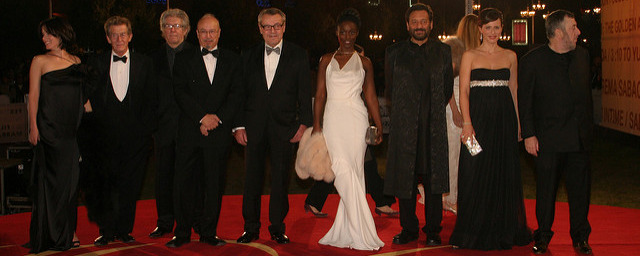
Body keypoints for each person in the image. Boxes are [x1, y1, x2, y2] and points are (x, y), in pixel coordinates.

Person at [449, 8, 531, 250]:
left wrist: (518, 124)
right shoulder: (469, 56)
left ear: (501, 28)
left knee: (503, 171)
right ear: (480, 30)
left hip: (505, 121)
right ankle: (472, 229)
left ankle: (502, 228)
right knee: (473, 170)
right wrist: (467, 123)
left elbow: (514, 90)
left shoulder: (510, 56)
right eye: (488, 28)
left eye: (497, 27)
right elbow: (464, 91)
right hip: (477, 123)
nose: (493, 32)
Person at [233, 7, 312, 244]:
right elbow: (239, 94)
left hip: (285, 129)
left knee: (280, 181)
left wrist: (303, 125)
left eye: (277, 25)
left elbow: (305, 93)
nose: (272, 30)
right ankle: (251, 228)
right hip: (253, 129)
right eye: (267, 26)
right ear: (259, 28)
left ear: (284, 27)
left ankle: (277, 227)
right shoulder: (247, 55)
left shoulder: (298, 55)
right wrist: (238, 126)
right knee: (252, 181)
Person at [518, 10, 593, 255]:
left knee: (581, 193)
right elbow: (524, 101)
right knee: (546, 192)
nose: (578, 32)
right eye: (573, 27)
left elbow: (586, 101)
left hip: (579, 140)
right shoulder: (532, 61)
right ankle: (543, 236)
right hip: (547, 140)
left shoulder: (582, 56)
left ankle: (581, 238)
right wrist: (528, 134)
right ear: (558, 32)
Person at [165, 13, 243, 248]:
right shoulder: (184, 57)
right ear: (196, 33)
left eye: (212, 31)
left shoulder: (232, 59)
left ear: (219, 33)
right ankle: (182, 233)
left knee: (214, 185)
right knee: (184, 185)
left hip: (218, 133)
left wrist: (216, 120)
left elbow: (236, 94)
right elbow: (180, 92)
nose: (208, 36)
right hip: (190, 130)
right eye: (203, 32)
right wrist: (201, 118)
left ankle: (209, 232)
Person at [310, 8, 384, 250]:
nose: (348, 36)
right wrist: (317, 126)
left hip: (356, 119)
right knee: (341, 168)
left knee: (354, 171)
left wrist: (378, 124)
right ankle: (362, 228)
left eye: (352, 32)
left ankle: (351, 230)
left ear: (357, 33)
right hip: (332, 118)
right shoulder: (325, 60)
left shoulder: (365, 62)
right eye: (343, 32)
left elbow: (370, 96)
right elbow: (320, 95)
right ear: (337, 33)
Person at [384, 3, 453, 246]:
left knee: (434, 182)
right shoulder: (394, 53)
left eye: (424, 21)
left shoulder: (444, 52)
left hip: (433, 126)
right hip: (404, 127)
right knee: (406, 180)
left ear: (431, 24)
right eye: (414, 22)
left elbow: (446, 88)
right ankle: (409, 229)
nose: (419, 26)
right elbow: (390, 90)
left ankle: (433, 230)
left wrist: (429, 111)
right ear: (407, 25)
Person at [304, 45, 397, 218]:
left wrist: (374, 122)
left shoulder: (363, 70)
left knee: (359, 165)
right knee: (348, 165)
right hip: (340, 125)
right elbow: (322, 95)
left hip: (358, 126)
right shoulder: (332, 65)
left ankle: (316, 201)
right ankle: (376, 204)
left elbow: (370, 99)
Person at [86, 16, 156, 246]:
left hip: (136, 140)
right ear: (108, 38)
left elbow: (151, 100)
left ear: (131, 36)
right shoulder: (95, 63)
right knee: (106, 185)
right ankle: (106, 231)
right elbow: (87, 95)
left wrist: (145, 133)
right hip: (104, 138)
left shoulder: (145, 63)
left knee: (131, 185)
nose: (119, 38)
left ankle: (125, 230)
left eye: (123, 34)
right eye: (114, 34)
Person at [26, 17, 85, 253]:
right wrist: (33, 126)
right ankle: (52, 233)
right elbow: (33, 96)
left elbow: (82, 99)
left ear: (61, 33)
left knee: (70, 184)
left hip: (72, 132)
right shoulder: (39, 61)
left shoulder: (77, 61)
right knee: (51, 183)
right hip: (49, 130)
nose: (44, 39)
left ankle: (68, 230)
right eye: (42, 35)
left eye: (48, 34)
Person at [148, 8, 196, 239]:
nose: (172, 30)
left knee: (187, 178)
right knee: (163, 176)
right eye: (168, 26)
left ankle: (187, 222)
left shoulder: (197, 56)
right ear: (162, 31)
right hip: (163, 127)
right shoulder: (152, 59)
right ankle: (164, 221)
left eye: (177, 26)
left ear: (186, 31)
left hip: (190, 126)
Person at [442, 14, 480, 214]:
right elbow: (446, 82)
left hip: (469, 107)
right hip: (453, 106)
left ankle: (468, 193)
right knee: (453, 153)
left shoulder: (478, 52)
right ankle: (450, 198)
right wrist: (456, 111)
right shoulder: (454, 48)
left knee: (473, 151)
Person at [304, 146, 397, 218]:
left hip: (357, 128)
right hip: (344, 130)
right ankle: (382, 201)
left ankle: (314, 201)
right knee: (338, 165)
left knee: (367, 163)